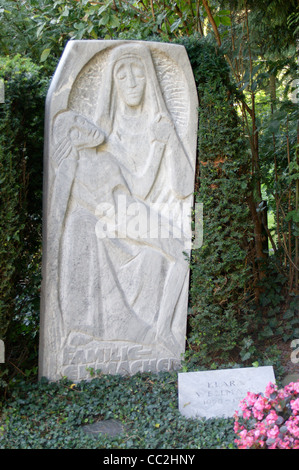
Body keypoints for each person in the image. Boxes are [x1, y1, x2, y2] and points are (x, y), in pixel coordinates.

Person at [50, 43, 194, 357]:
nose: (130, 81)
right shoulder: (81, 163)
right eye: (121, 73)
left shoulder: (102, 160)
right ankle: (160, 333)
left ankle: (162, 331)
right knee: (181, 252)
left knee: (182, 252)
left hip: (130, 210)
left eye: (137, 71)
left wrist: (160, 144)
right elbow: (67, 207)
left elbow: (142, 188)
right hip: (120, 217)